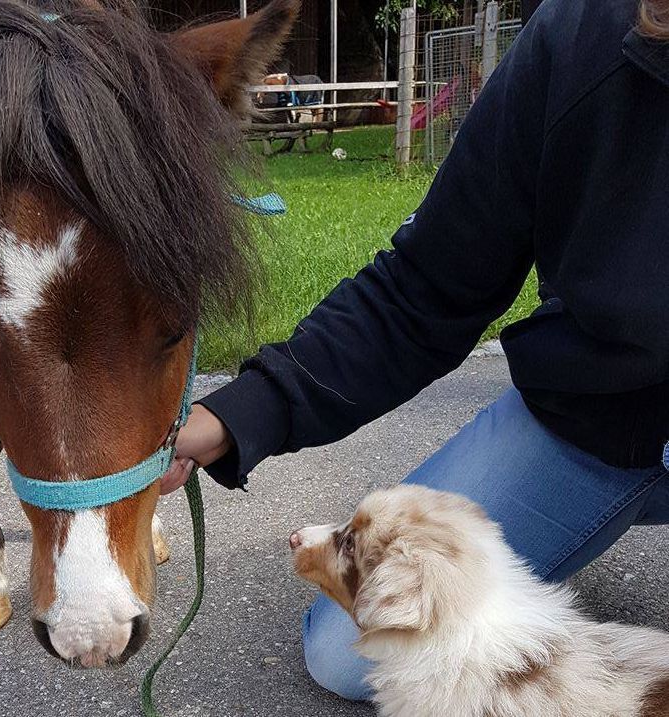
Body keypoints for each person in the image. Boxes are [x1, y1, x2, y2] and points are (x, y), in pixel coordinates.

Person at [160, 0, 669, 701]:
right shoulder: (581, 35)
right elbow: (426, 284)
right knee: (362, 647)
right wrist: (234, 415)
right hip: (600, 415)